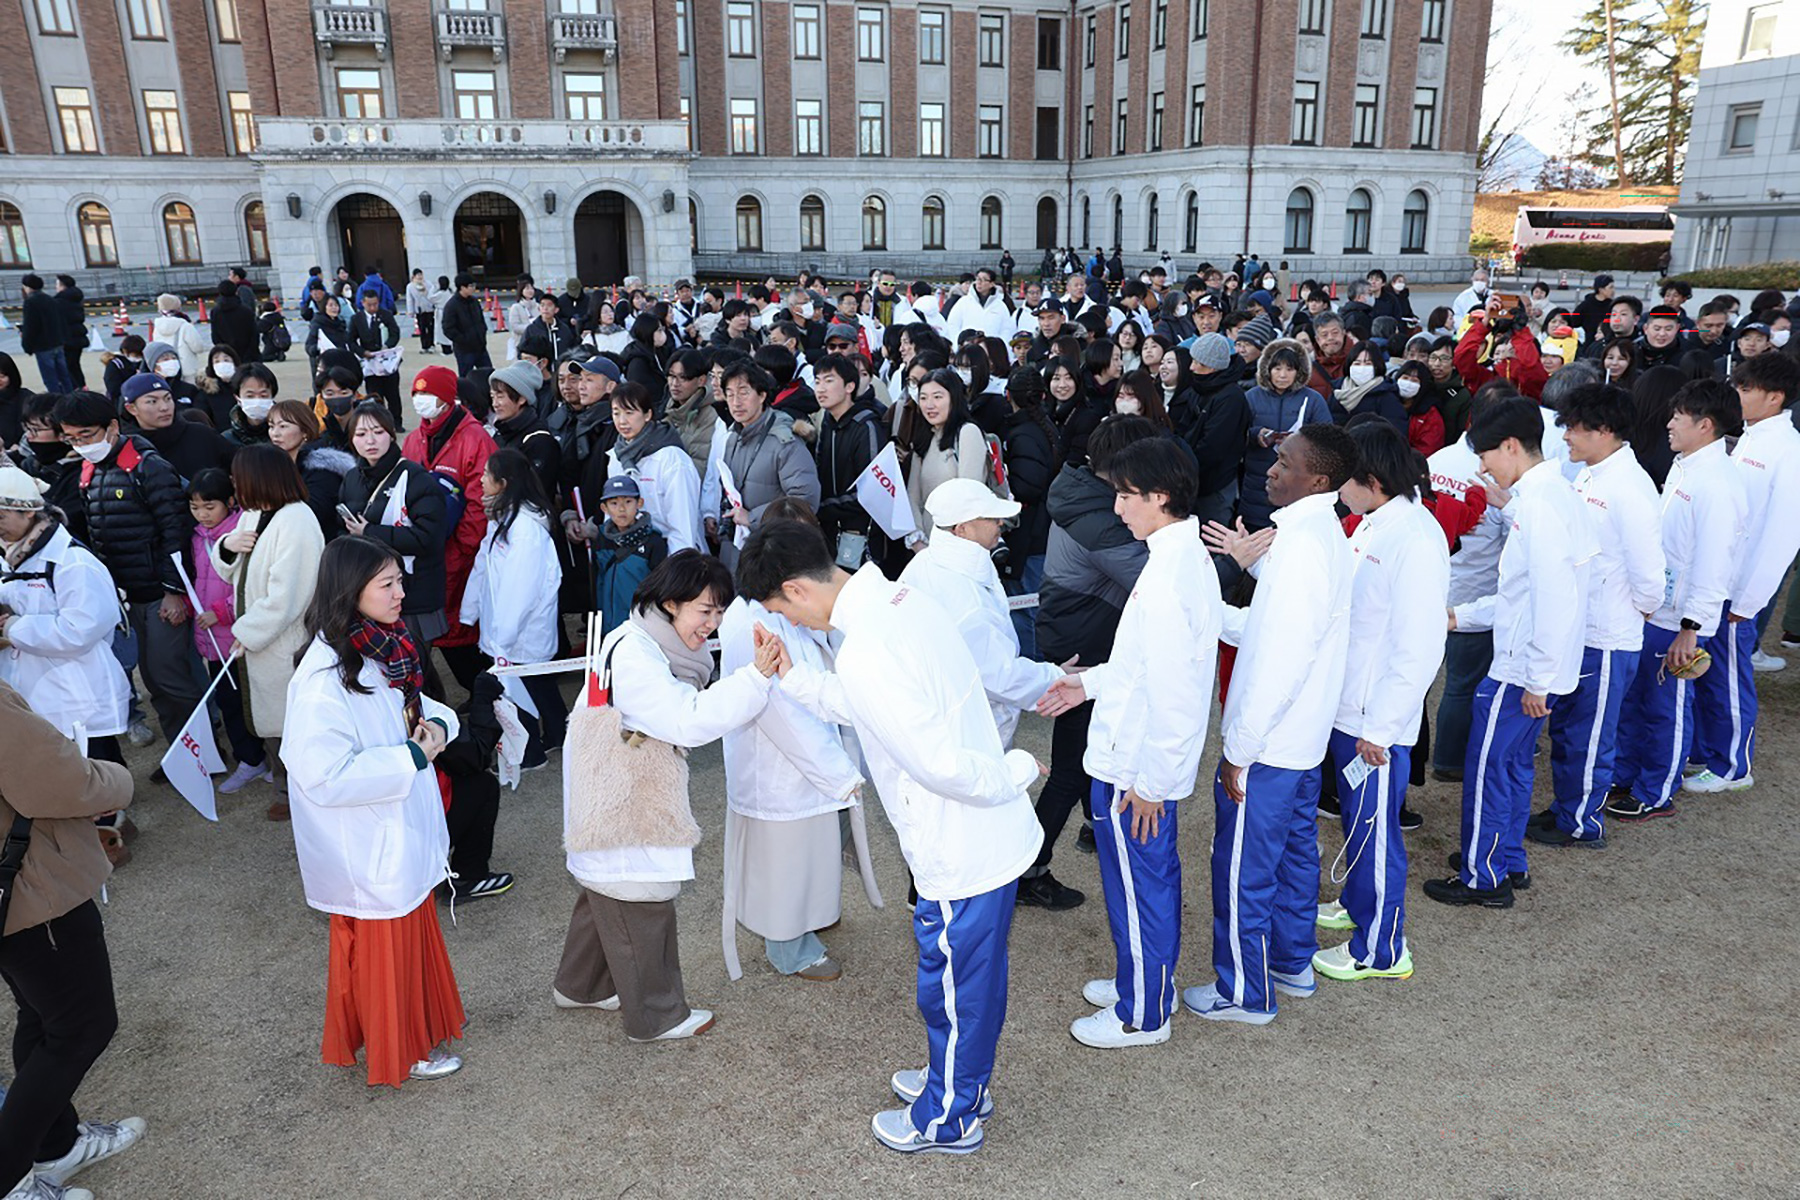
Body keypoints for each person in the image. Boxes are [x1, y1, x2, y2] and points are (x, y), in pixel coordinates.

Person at [740, 522, 1046, 1156]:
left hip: (960, 841)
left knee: (953, 984)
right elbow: (872, 705)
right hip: (976, 835)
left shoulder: (866, 648)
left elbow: (939, 764)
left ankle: (948, 1117)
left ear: (795, 589)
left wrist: (1015, 772)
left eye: (779, 609)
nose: (786, 621)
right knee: (972, 980)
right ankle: (960, 1082)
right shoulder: (902, 600)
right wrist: (794, 676)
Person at [1034, 439, 1220, 1046]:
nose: (1116, 508)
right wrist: (1087, 684)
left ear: (1160, 497)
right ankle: (1144, 982)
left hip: (1135, 768)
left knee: (1140, 888)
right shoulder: (1175, 558)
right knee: (1142, 885)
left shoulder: (1168, 574)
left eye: (1125, 495)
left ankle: (1142, 1012)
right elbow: (1142, 666)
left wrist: (1153, 785)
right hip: (1132, 759)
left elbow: (1177, 695)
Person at [556, 551, 781, 1042]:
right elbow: (686, 720)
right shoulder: (637, 656)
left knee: (605, 892)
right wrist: (755, 679)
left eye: (719, 611)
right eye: (704, 610)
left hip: (610, 795)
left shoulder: (642, 639)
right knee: (637, 899)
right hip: (625, 801)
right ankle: (656, 1017)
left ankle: (581, 985)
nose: (712, 623)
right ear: (670, 603)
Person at [281, 537, 467, 1087]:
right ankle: (401, 1048)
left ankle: (412, 1032)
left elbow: (419, 707)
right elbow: (323, 775)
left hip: (394, 831)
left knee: (403, 938)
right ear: (350, 591)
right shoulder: (323, 681)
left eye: (399, 581)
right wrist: (411, 756)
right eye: (387, 584)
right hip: (368, 843)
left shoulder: (380, 648)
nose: (400, 593)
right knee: (385, 949)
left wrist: (439, 727)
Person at [1187, 424, 1355, 1024]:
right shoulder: (1314, 535)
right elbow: (1279, 625)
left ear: (1318, 479)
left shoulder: (1303, 543)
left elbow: (1281, 657)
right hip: (1300, 740)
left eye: (1285, 462)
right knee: (1293, 856)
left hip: (1271, 744)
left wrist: (1242, 747)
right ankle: (1290, 962)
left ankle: (1244, 992)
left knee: (1243, 868)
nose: (1272, 469)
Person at [1426, 395, 1595, 908]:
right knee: (1514, 766)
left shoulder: (1541, 506)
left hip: (1521, 670)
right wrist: (1460, 617)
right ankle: (1506, 858)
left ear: (1510, 446)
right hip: (1533, 665)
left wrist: (1537, 678)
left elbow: (1552, 599)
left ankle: (1483, 876)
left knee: (1489, 769)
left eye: (1484, 456)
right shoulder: (1551, 496)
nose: (1482, 468)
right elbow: (1524, 595)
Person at [1312, 422, 1449, 983]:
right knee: (1358, 823)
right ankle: (1358, 904)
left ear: (1371, 479)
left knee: (1375, 831)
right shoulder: (1375, 523)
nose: (1337, 491)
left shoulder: (1414, 539)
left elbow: (1420, 646)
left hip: (1375, 720)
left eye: (1343, 480)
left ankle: (1383, 949)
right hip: (1353, 706)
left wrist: (1384, 727)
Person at [717, 503, 874, 983]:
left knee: (812, 853)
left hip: (815, 753)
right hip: (782, 766)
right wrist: (837, 772)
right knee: (785, 861)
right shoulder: (751, 621)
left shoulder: (793, 606)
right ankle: (789, 946)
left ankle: (810, 919)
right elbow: (777, 711)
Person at [0, 679, 143, 1200]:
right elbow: (63, 782)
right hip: (31, 892)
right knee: (79, 1027)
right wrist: (117, 778)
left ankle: (56, 1145)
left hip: (17, 895)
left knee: (43, 1016)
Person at [1528, 385, 1666, 848]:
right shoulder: (1590, 475)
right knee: (1569, 729)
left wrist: (1634, 610)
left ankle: (1581, 822)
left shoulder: (1630, 486)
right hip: (1580, 628)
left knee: (1590, 735)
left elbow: (1650, 574)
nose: (1566, 436)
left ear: (1604, 430)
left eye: (1574, 427)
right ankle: (1566, 807)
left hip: (1608, 634)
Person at [1608, 380, 1747, 821]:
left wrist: (1692, 628)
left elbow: (1714, 565)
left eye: (1678, 417)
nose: (1669, 423)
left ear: (1705, 425)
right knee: (1637, 699)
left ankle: (1655, 791)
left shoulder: (1718, 484)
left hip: (1678, 619)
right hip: (1656, 610)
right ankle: (1625, 773)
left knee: (1666, 708)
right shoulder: (1686, 465)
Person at [51, 390, 206, 749]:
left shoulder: (149, 467)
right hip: (126, 595)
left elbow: (175, 530)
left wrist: (173, 591)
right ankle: (181, 750)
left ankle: (200, 750)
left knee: (170, 676)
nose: (80, 445)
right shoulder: (89, 470)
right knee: (152, 677)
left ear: (112, 426)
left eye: (86, 435)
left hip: (160, 594)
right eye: (71, 438)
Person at [1686, 352, 1800, 793]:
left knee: (1729, 679)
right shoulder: (1750, 436)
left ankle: (1733, 767)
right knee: (1706, 674)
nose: (1736, 394)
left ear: (1775, 397)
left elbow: (1782, 536)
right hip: (1717, 584)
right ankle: (1705, 751)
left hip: (1737, 592)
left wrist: (1750, 599)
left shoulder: (1788, 450)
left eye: (1746, 388)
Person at [903, 479, 1065, 751]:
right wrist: (1057, 676)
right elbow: (1001, 676)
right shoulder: (967, 600)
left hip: (941, 721)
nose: (1001, 523)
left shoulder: (925, 562)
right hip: (972, 733)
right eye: (990, 518)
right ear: (962, 529)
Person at [210, 445, 324, 820]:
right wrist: (227, 545)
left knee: (292, 722)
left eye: (238, 478)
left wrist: (247, 631)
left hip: (286, 640)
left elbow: (287, 596)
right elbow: (228, 570)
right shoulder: (254, 513)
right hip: (262, 640)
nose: (234, 485)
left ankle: (300, 793)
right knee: (274, 720)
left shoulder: (298, 521)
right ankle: (284, 788)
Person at [0, 465, 130, 768]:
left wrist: (14, 627)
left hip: (79, 693)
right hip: (35, 691)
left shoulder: (73, 561)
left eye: (1, 516)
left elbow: (81, 629)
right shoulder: (10, 556)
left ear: (28, 512)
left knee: (98, 770)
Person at [1426, 386, 1513, 781]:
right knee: (1462, 685)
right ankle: (1450, 761)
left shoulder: (1438, 459)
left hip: (1434, 588)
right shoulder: (1497, 476)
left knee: (1421, 680)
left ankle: (1418, 754)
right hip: (1473, 597)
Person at [460, 449, 565, 762]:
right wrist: (470, 610)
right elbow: (483, 565)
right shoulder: (502, 518)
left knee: (521, 690)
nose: (481, 480)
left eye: (486, 474)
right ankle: (559, 734)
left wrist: (502, 637)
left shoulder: (525, 530)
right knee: (537, 684)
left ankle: (531, 754)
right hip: (507, 628)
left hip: (521, 630)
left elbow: (520, 590)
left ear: (503, 483)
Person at [337, 403, 450, 674]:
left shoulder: (416, 478)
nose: (370, 441)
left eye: (378, 432)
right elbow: (340, 528)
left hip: (413, 592)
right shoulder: (351, 478)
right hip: (368, 591)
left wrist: (369, 532)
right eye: (361, 434)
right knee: (380, 672)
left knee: (414, 669)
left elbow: (429, 538)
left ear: (391, 434)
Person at [403, 367, 496, 691]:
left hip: (461, 555)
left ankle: (487, 695)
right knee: (441, 631)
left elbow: (481, 503)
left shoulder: (475, 439)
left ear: (446, 398)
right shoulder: (414, 440)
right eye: (417, 394)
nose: (420, 400)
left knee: (463, 629)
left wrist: (461, 550)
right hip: (425, 553)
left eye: (427, 394)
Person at [185, 468, 273, 796]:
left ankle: (272, 758)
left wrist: (220, 613)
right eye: (195, 507)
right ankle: (249, 760)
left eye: (210, 507)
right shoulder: (197, 537)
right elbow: (197, 581)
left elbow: (250, 587)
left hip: (239, 635)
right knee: (228, 702)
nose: (202, 514)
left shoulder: (242, 534)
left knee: (255, 701)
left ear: (230, 501)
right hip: (212, 640)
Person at [716, 358, 821, 572]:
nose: (736, 402)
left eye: (744, 393)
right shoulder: (733, 435)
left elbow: (805, 501)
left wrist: (752, 517)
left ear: (762, 395)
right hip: (740, 547)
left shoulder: (784, 440)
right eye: (730, 394)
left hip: (776, 552)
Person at [599, 383, 703, 554]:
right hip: (633, 557)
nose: (622, 421)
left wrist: (674, 565)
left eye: (629, 413)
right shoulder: (617, 456)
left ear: (647, 414)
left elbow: (683, 526)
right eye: (616, 413)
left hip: (668, 553)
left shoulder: (672, 458)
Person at [1240, 340, 1326, 529]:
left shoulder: (1313, 399)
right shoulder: (1251, 397)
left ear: (1299, 372)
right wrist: (1256, 435)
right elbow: (1236, 434)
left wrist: (1301, 441)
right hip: (1257, 482)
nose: (1282, 375)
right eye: (1277, 368)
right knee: (1256, 535)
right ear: (1267, 369)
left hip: (1298, 482)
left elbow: (1327, 438)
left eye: (1289, 369)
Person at [903, 369, 989, 543]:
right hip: (927, 546)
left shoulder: (967, 433)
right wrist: (917, 541)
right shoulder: (924, 438)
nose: (929, 405)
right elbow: (912, 496)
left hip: (959, 543)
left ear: (954, 398)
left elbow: (969, 495)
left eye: (937, 397)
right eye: (923, 398)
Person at [118, 374, 234, 483]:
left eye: (168, 398)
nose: (164, 407)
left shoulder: (202, 434)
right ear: (132, 408)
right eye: (152, 401)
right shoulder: (128, 449)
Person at [589, 476, 668, 635]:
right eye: (614, 503)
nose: (621, 509)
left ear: (639, 503)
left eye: (628, 501)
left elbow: (661, 589)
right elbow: (598, 582)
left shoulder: (654, 542)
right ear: (604, 508)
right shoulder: (601, 539)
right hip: (608, 627)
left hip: (641, 629)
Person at [267, 399, 355, 542]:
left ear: (305, 431)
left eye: (283, 426)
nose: (275, 433)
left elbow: (310, 514)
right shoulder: (271, 465)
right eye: (271, 426)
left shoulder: (323, 470)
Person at [349, 289, 403, 422]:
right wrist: (362, 352)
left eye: (375, 304)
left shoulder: (386, 315)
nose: (373, 308)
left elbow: (395, 333)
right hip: (370, 362)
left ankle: (396, 421)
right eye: (369, 305)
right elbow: (351, 340)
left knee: (393, 394)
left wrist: (388, 346)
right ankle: (379, 420)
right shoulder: (356, 319)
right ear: (363, 303)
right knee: (374, 394)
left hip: (387, 360)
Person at [18, 276, 73, 396]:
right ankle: (71, 398)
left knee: (50, 378)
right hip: (57, 342)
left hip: (43, 345)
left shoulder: (30, 302)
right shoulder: (51, 300)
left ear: (27, 287)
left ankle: (56, 401)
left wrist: (27, 345)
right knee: (64, 376)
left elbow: (31, 326)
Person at [441, 275, 492, 376]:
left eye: (474, 285)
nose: (473, 288)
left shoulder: (474, 301)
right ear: (462, 287)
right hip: (464, 350)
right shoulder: (452, 305)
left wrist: (482, 333)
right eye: (470, 286)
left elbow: (481, 321)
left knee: (488, 374)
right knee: (466, 377)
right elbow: (448, 328)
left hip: (480, 347)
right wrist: (464, 339)